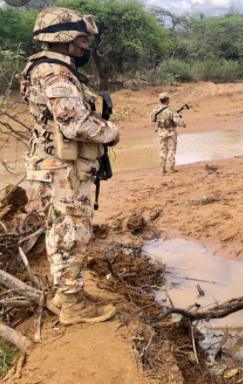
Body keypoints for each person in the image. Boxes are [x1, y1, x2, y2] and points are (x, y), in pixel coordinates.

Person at [20, 7, 119, 325]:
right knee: (72, 232)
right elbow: (75, 124)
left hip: (53, 165)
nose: (85, 46)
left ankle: (66, 294)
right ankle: (73, 306)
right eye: (81, 39)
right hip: (62, 169)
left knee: (62, 231)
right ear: (64, 40)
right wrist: (111, 133)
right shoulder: (56, 73)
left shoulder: (43, 68)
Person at [150, 93, 186, 174]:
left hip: (161, 132)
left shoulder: (155, 109)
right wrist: (184, 124)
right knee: (171, 150)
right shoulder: (171, 110)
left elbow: (152, 119)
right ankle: (171, 168)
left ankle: (162, 168)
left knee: (163, 150)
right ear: (168, 100)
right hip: (171, 133)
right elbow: (178, 122)